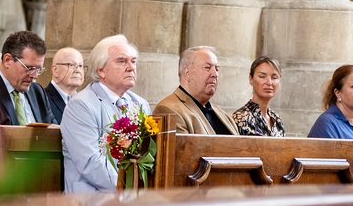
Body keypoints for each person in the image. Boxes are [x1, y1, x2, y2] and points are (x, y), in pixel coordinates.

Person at [60, 35, 150, 193]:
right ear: (101, 70)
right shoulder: (81, 105)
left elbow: (148, 154)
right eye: (122, 61)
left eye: (133, 61)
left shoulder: (140, 104)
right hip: (92, 199)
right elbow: (91, 164)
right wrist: (128, 191)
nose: (131, 67)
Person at [0, 31, 54, 126]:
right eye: (30, 68)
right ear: (7, 60)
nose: (35, 76)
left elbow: (53, 129)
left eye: (38, 69)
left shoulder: (37, 92)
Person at [153, 46, 238, 135]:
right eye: (207, 67)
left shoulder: (223, 115)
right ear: (187, 72)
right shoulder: (168, 110)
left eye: (216, 69)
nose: (215, 74)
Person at [232, 56, 286, 137]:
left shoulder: (277, 119)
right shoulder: (240, 118)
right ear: (251, 79)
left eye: (274, 77)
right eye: (262, 76)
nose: (269, 82)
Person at [45, 46, 84, 123]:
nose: (78, 70)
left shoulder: (84, 101)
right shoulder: (42, 99)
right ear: (55, 70)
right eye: (72, 65)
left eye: (80, 66)